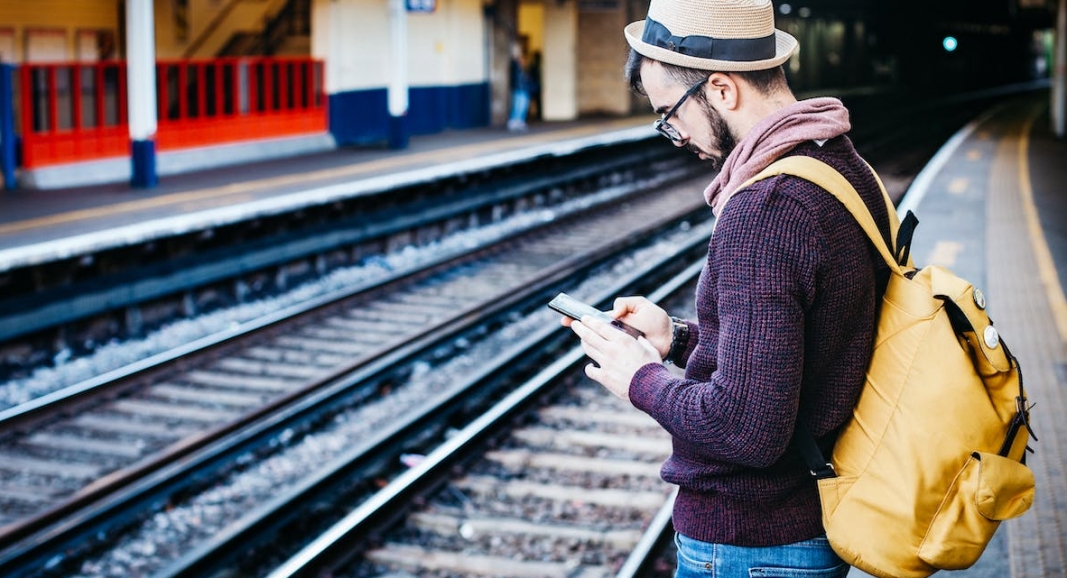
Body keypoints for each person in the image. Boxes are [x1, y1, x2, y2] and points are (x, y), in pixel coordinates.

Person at [563, 0, 894, 576]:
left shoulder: (764, 208)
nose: (674, 135)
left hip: (752, 545)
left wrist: (639, 378)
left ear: (721, 89)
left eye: (671, 112)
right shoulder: (840, 165)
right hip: (806, 525)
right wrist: (679, 339)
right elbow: (798, 352)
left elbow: (745, 428)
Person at [507, 41, 531, 132]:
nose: (523, 61)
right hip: (519, 89)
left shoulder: (522, 70)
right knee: (518, 105)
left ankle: (519, 121)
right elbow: (514, 60)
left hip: (523, 89)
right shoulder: (515, 66)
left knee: (523, 105)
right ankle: (514, 121)